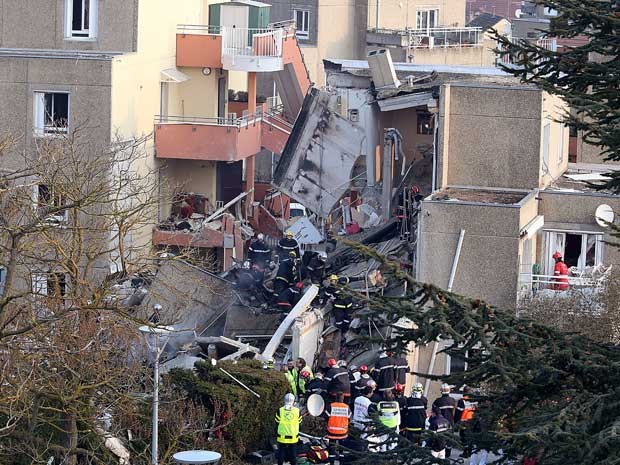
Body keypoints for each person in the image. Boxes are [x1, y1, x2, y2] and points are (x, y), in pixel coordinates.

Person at [325, 392, 351, 465]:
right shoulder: (347, 407)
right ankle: (341, 463)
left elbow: (325, 417)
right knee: (342, 450)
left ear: (336, 398)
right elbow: (350, 418)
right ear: (343, 398)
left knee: (331, 450)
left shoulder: (331, 406)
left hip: (332, 432)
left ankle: (331, 463)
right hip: (343, 433)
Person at [275, 393, 302, 465]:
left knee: (281, 452)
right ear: (293, 401)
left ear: (284, 400)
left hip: (282, 436)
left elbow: (276, 422)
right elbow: (300, 423)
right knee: (293, 455)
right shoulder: (297, 411)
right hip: (293, 437)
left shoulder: (280, 410)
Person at [432, 383, 456, 458]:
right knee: (449, 439)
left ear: (441, 391)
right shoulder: (453, 401)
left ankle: (441, 452)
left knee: (440, 438)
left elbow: (434, 412)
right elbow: (455, 413)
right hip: (450, 423)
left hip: (440, 423)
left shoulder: (437, 401)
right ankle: (447, 454)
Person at [455, 386, 478, 460]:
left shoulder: (462, 401)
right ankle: (470, 452)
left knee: (463, 438)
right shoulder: (474, 400)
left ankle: (465, 453)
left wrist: (456, 422)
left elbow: (458, 413)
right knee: (470, 437)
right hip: (472, 422)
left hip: (464, 422)